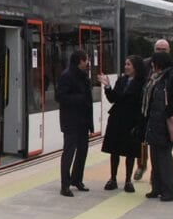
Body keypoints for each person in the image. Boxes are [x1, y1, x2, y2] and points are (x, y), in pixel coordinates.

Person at [140, 50, 173, 202]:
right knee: (155, 156)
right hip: (154, 122)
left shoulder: (172, 76)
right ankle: (156, 188)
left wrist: (166, 113)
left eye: (153, 62)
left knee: (164, 158)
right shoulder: (155, 77)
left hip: (164, 124)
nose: (151, 65)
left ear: (159, 63)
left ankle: (169, 191)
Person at [100, 55, 145, 192]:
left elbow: (139, 102)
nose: (126, 67)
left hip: (131, 121)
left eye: (128, 64)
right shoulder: (121, 80)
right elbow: (113, 98)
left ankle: (128, 180)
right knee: (115, 150)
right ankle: (113, 178)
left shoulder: (142, 83)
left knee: (130, 152)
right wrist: (107, 86)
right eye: (125, 64)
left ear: (135, 67)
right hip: (117, 120)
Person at [56, 49, 93, 197]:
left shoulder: (84, 76)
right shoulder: (67, 76)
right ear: (80, 62)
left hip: (83, 121)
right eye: (86, 60)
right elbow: (61, 97)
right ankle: (65, 185)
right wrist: (80, 98)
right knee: (69, 153)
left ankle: (77, 179)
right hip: (71, 122)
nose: (88, 62)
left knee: (82, 152)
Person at [134, 39, 171, 182]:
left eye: (164, 49)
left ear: (169, 51)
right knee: (142, 140)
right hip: (145, 110)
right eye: (158, 49)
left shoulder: (172, 66)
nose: (161, 52)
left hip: (161, 113)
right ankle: (141, 166)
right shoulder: (145, 64)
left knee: (159, 145)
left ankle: (155, 175)